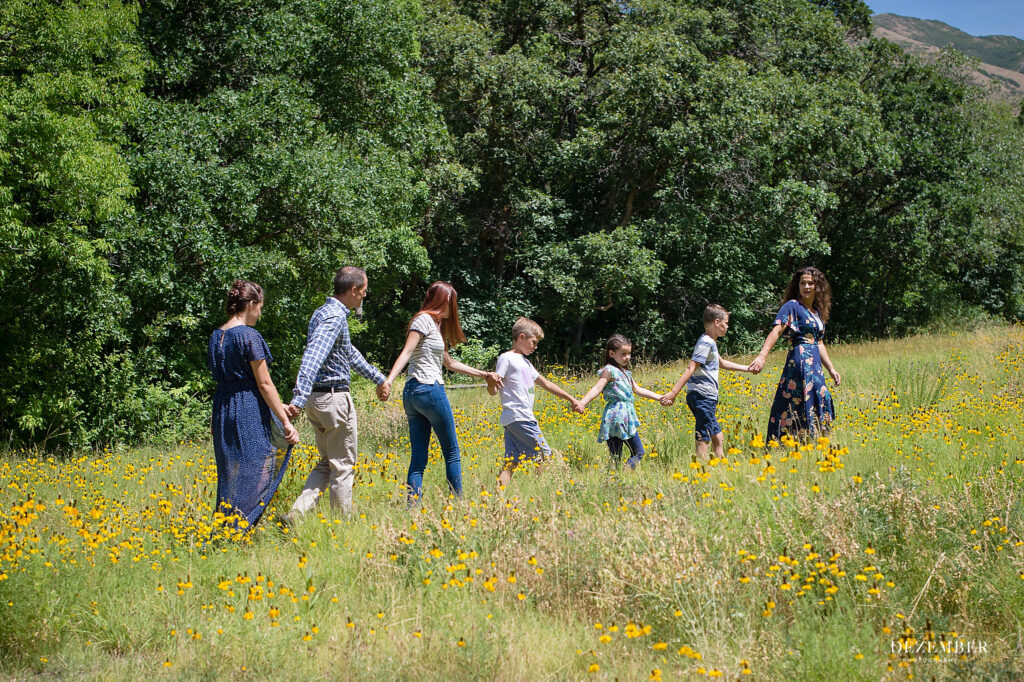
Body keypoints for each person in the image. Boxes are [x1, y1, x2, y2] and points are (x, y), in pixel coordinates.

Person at [282, 266, 389, 521]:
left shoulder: (324, 313)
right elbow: (313, 357)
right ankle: (342, 527)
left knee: (328, 462)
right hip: (333, 399)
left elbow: (348, 353)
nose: (364, 296)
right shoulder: (334, 317)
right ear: (353, 290)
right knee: (342, 467)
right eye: (363, 291)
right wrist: (297, 398)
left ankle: (296, 514)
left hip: (317, 402)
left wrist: (378, 378)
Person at [381, 282, 502, 503]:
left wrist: (484, 374)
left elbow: (449, 362)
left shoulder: (434, 326)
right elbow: (407, 351)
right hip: (429, 389)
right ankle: (459, 504)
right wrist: (388, 380)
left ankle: (412, 509)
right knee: (452, 452)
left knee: (418, 458)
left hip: (412, 394)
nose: (453, 309)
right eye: (452, 303)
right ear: (444, 301)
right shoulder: (423, 320)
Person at [208, 280, 299, 532]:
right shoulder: (249, 336)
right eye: (260, 307)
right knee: (259, 464)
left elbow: (237, 382)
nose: (260, 312)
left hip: (223, 409)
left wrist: (277, 405)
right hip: (247, 411)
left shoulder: (217, 336)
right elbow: (264, 383)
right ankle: (241, 526)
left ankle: (228, 524)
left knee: (231, 470)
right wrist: (285, 421)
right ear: (251, 304)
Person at [748, 266, 841, 442]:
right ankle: (786, 440)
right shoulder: (792, 306)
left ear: (817, 286)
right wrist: (762, 355)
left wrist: (831, 368)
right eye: (803, 283)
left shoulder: (817, 313)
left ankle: (812, 438)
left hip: (815, 364)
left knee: (820, 395)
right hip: (799, 361)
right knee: (796, 398)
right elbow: (776, 331)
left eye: (810, 283)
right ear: (797, 286)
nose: (806, 287)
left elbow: (819, 342)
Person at [487, 317, 581, 488]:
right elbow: (494, 389)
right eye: (534, 342)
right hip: (519, 416)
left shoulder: (525, 362)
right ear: (521, 337)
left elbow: (546, 383)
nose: (536, 347)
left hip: (516, 419)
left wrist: (571, 399)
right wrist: (490, 382)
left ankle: (496, 498)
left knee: (512, 462)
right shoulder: (506, 358)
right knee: (545, 456)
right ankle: (541, 493)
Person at [659, 304, 754, 459]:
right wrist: (673, 393)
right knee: (704, 434)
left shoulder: (710, 342)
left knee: (718, 435)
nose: (727, 326)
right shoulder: (706, 343)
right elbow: (691, 367)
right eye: (726, 322)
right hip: (702, 395)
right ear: (717, 322)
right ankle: (700, 469)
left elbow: (721, 363)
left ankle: (720, 462)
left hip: (704, 396)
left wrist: (747, 368)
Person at [577, 334, 663, 470]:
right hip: (620, 416)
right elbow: (597, 388)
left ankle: (616, 478)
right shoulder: (610, 370)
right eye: (623, 354)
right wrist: (582, 402)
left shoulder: (626, 373)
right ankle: (624, 473)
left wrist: (660, 397)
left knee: (616, 458)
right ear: (611, 353)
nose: (627, 357)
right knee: (638, 452)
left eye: (629, 353)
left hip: (615, 417)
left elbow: (638, 389)